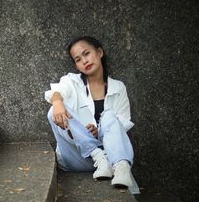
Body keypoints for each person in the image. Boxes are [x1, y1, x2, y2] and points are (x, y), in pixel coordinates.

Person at [44, 36, 139, 193]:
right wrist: (57, 102)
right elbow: (57, 91)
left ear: (99, 52)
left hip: (110, 155)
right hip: (76, 157)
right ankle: (96, 154)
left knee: (109, 116)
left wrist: (98, 132)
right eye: (78, 59)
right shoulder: (72, 81)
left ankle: (122, 167)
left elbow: (123, 123)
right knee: (52, 111)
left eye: (86, 53)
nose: (84, 61)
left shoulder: (118, 87)